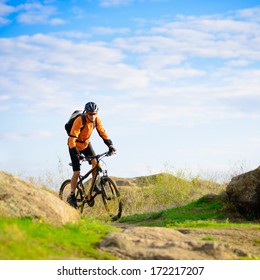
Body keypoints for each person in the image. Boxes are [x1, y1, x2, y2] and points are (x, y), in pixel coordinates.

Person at [67, 102, 116, 208]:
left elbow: (103, 133)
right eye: (90, 114)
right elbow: (72, 139)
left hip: (86, 143)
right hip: (74, 145)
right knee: (77, 172)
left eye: (94, 114)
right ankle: (71, 195)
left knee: (96, 162)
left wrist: (110, 145)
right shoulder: (80, 120)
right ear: (86, 113)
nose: (92, 116)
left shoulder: (97, 120)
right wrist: (77, 154)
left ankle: (93, 186)